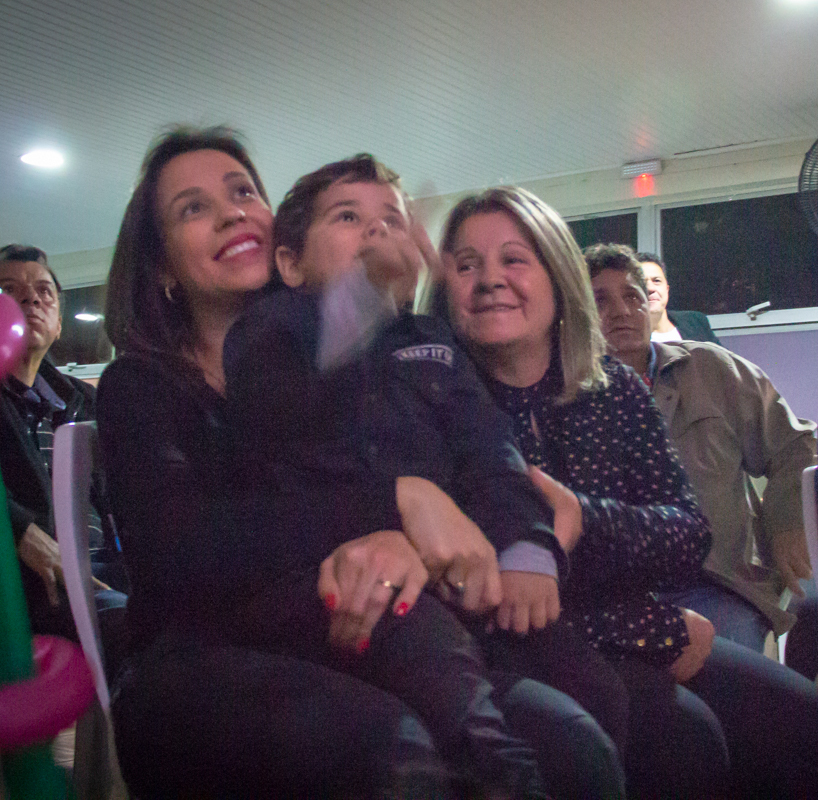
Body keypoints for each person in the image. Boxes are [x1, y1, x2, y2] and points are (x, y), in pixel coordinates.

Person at [97, 127, 620, 798]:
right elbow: (181, 553)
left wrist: (449, 540)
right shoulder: (142, 387)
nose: (231, 211)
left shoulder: (374, 360)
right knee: (396, 753)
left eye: (243, 191)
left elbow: (475, 457)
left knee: (575, 748)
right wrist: (394, 505)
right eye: (193, 208)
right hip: (202, 663)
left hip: (364, 625)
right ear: (163, 267)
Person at [436, 187, 818, 800]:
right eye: (467, 263)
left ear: (556, 279)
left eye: (514, 259)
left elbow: (685, 533)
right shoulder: (437, 400)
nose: (490, 279)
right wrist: (652, 630)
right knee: (686, 745)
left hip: (635, 620)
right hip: (521, 646)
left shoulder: (611, 393)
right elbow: (481, 585)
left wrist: (586, 520)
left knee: (813, 731)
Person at [584, 242, 813, 652]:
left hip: (718, 587)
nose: (621, 311)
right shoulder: (569, 398)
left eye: (632, 296)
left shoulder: (713, 369)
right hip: (616, 599)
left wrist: (786, 521)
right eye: (600, 300)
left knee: (733, 690)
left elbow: (796, 444)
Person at [0, 244, 126, 652]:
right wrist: (21, 532)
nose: (31, 298)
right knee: (135, 626)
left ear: (57, 325)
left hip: (107, 564)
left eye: (44, 291)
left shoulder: (85, 403)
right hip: (30, 590)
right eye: (9, 289)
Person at [635, 251, 720, 344]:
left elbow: (723, 358)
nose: (650, 288)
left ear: (667, 289)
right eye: (642, 282)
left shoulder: (695, 322)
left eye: (656, 280)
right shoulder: (626, 340)